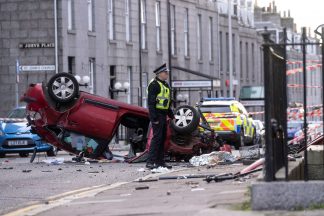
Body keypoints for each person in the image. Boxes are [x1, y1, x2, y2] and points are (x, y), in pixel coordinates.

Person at [146, 63, 174, 169]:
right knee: (156, 138)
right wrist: (154, 119)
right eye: (165, 72)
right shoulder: (154, 85)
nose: (167, 74)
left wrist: (172, 116)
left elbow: (167, 103)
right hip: (157, 114)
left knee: (162, 138)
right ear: (159, 73)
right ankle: (150, 162)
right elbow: (151, 103)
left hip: (163, 114)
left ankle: (160, 162)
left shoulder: (165, 85)